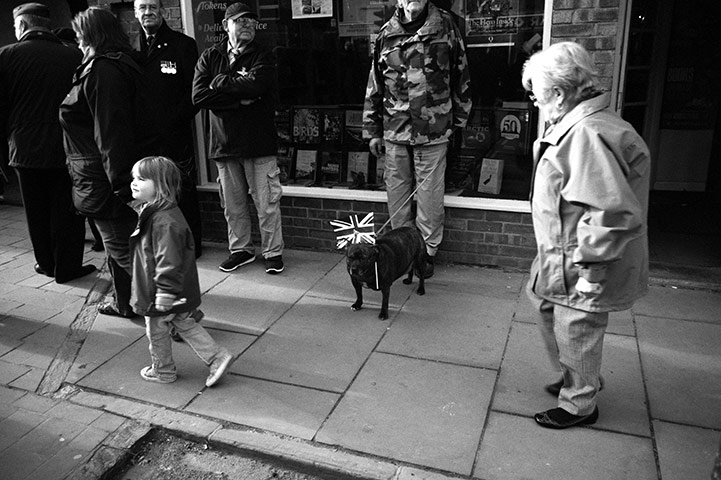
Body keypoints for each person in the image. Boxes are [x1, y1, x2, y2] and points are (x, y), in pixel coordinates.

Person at [521, 42, 650, 429]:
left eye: (536, 95)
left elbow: (611, 212)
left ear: (559, 94)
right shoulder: (577, 124)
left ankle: (580, 403)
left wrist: (592, 271)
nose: (533, 103)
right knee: (543, 302)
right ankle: (579, 374)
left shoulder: (588, 134)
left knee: (575, 324)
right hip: (561, 250)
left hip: (582, 257)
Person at [60, 7, 157, 318]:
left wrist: (122, 189)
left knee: (122, 250)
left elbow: (111, 134)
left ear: (91, 37)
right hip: (109, 176)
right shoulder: (119, 64)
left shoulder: (103, 70)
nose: (77, 43)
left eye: (78, 36)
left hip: (105, 181)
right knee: (125, 249)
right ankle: (125, 302)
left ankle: (172, 318)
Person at [363, 0, 472, 278]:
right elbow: (375, 84)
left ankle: (426, 253)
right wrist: (372, 130)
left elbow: (461, 75)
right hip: (394, 129)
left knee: (430, 195)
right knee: (397, 194)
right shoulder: (386, 32)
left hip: (433, 127)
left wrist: (458, 122)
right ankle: (401, 250)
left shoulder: (446, 25)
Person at [0, 2, 96, 283]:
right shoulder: (74, 56)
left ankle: (46, 263)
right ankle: (68, 267)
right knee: (67, 210)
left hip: (24, 148)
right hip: (67, 147)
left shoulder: (6, 56)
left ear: (22, 26)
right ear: (47, 25)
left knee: (36, 210)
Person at [192, 2, 285, 275]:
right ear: (225, 25)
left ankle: (273, 252)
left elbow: (258, 86)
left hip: (259, 142)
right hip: (224, 143)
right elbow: (198, 97)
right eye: (240, 21)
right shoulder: (210, 56)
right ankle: (241, 250)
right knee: (233, 206)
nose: (247, 25)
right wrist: (239, 100)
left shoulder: (263, 55)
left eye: (251, 21)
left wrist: (220, 84)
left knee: (266, 204)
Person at [129, 156, 233, 386]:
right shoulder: (155, 213)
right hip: (166, 289)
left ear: (162, 185)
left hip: (161, 291)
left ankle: (163, 371)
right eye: (134, 178)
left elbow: (169, 260)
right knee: (184, 322)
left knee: (156, 330)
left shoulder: (163, 221)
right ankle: (217, 356)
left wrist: (165, 292)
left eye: (142, 178)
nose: (134, 183)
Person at [132, 0, 203, 258]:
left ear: (162, 11)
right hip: (144, 139)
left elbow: (194, 93)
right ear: (136, 13)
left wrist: (174, 121)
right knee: (149, 193)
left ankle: (190, 245)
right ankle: (160, 243)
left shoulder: (182, 45)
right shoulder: (131, 50)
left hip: (174, 135)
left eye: (152, 7)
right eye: (142, 8)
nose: (148, 12)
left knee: (180, 190)